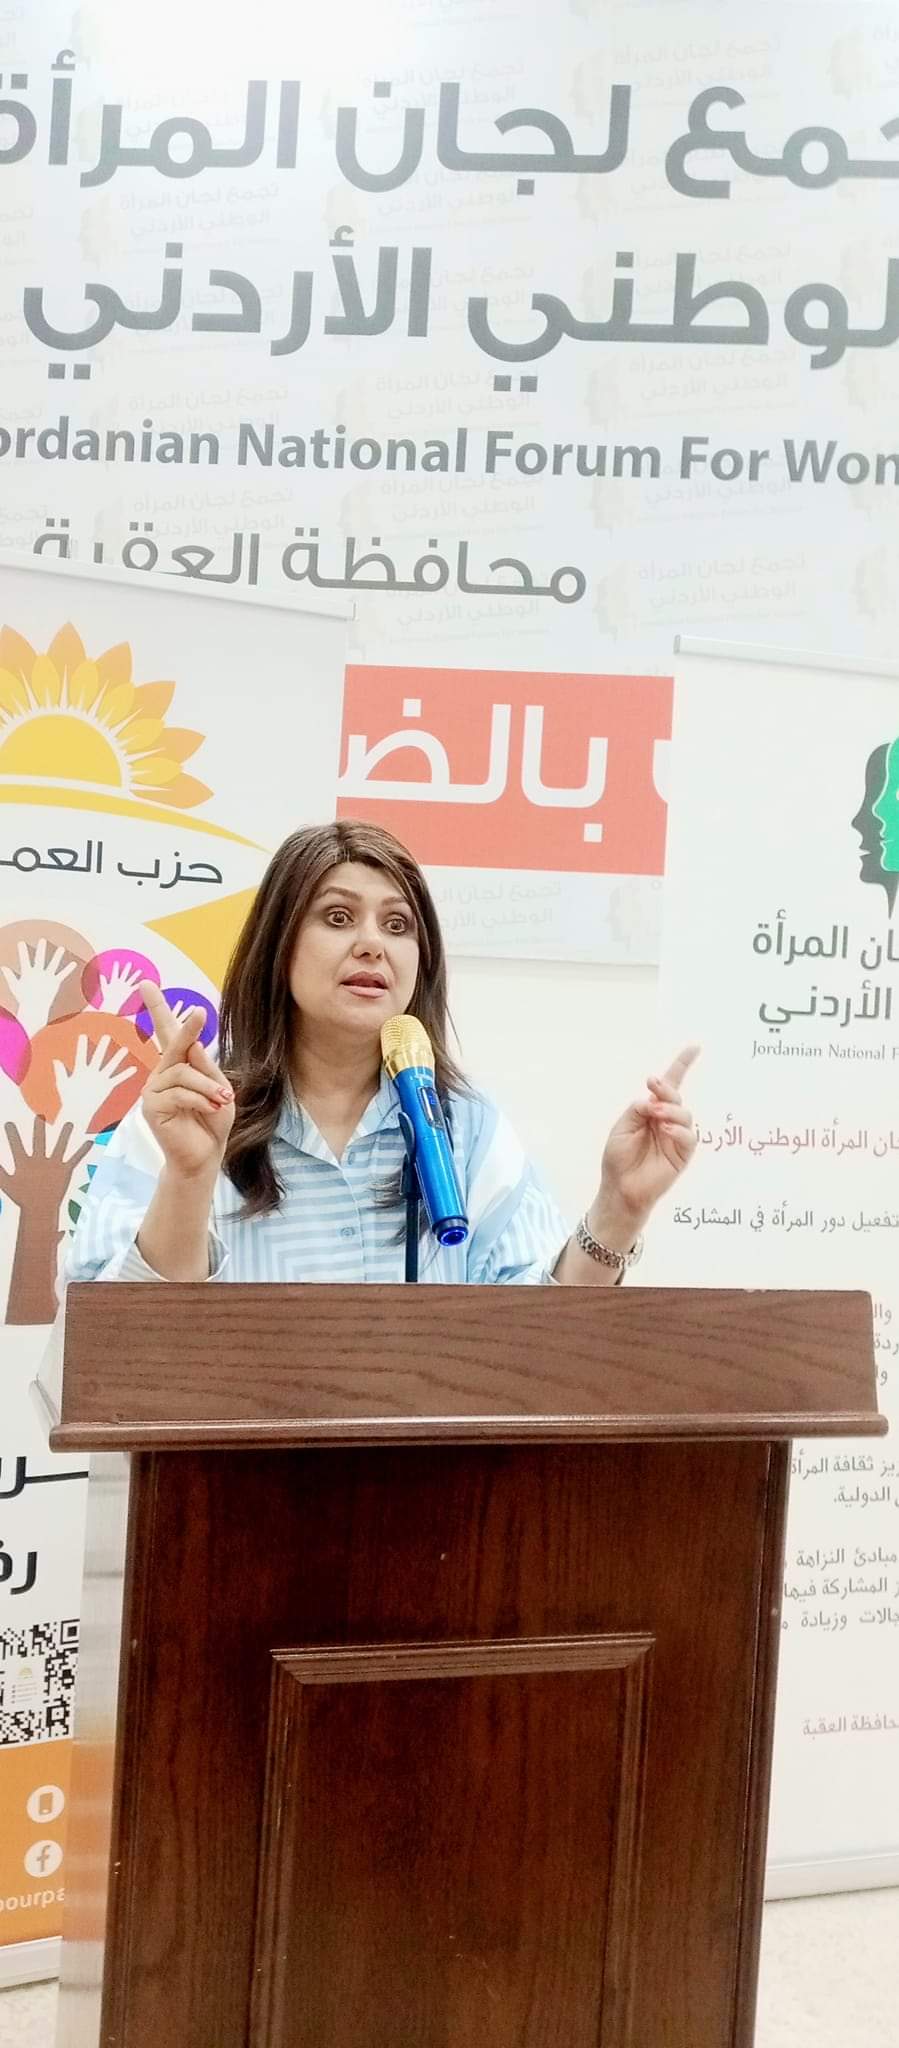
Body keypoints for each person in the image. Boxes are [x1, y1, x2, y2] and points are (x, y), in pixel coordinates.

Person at [65, 820, 698, 1290]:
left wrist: (619, 1211)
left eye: (398, 925)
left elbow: (544, 1342)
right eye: (338, 917)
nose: (373, 944)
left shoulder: (464, 1126)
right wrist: (189, 1177)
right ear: (279, 946)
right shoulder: (191, 1112)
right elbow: (108, 1340)